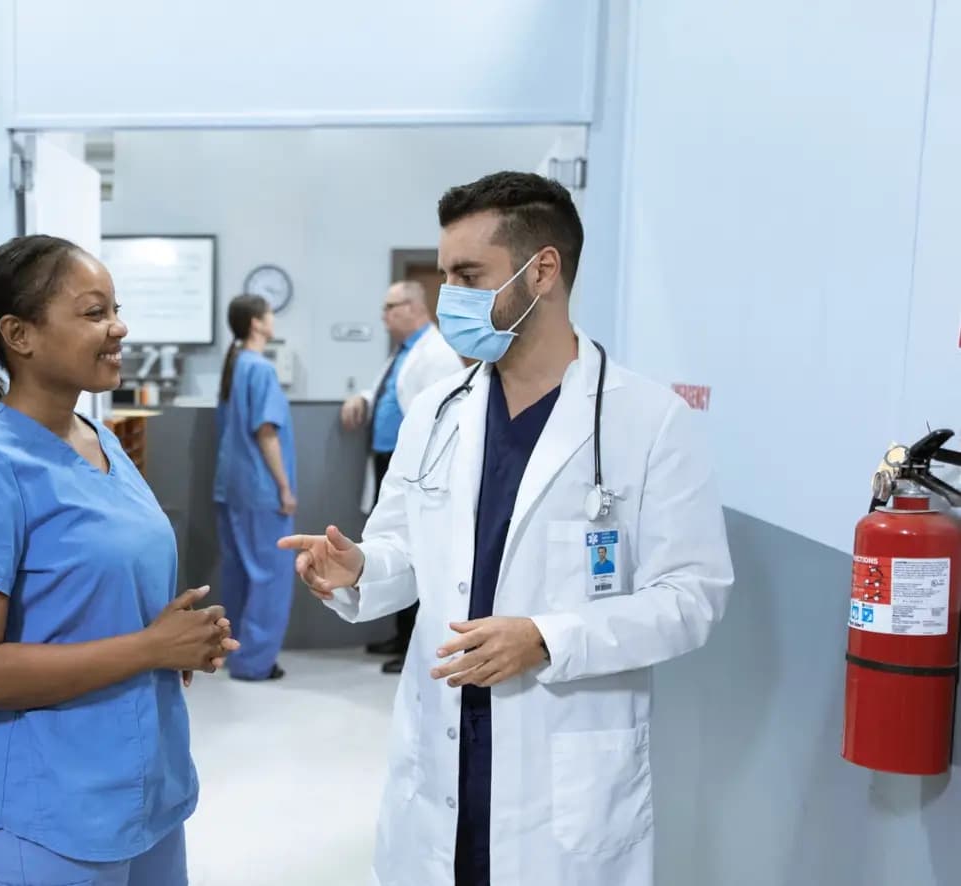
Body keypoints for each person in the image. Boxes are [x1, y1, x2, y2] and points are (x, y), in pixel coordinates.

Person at [281, 171, 734, 886]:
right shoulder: (437, 412)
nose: (446, 298)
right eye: (443, 276)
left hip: (561, 767)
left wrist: (548, 637)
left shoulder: (648, 422)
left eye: (467, 274)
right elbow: (407, 551)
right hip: (443, 750)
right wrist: (361, 568)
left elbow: (693, 597)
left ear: (542, 271)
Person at [0, 234, 240, 886]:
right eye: (94, 313)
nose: (119, 327)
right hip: (46, 812)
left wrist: (176, 643)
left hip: (141, 789)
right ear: (20, 335)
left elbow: (99, 597)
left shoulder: (96, 438)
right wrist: (149, 650)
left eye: (115, 309)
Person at [340, 280, 464, 673]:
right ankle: (397, 633)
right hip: (389, 462)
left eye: (390, 307)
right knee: (391, 541)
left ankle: (412, 641)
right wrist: (361, 397)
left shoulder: (439, 354)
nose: (383, 315)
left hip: (418, 471)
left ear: (413, 308)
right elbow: (388, 389)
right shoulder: (405, 352)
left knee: (414, 549)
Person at [213, 294, 296, 681]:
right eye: (268, 315)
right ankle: (255, 663)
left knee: (241, 574)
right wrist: (284, 488)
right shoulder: (259, 369)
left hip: (232, 488)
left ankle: (237, 654)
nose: (272, 320)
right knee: (270, 576)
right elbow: (266, 433)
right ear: (257, 323)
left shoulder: (234, 366)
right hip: (261, 489)